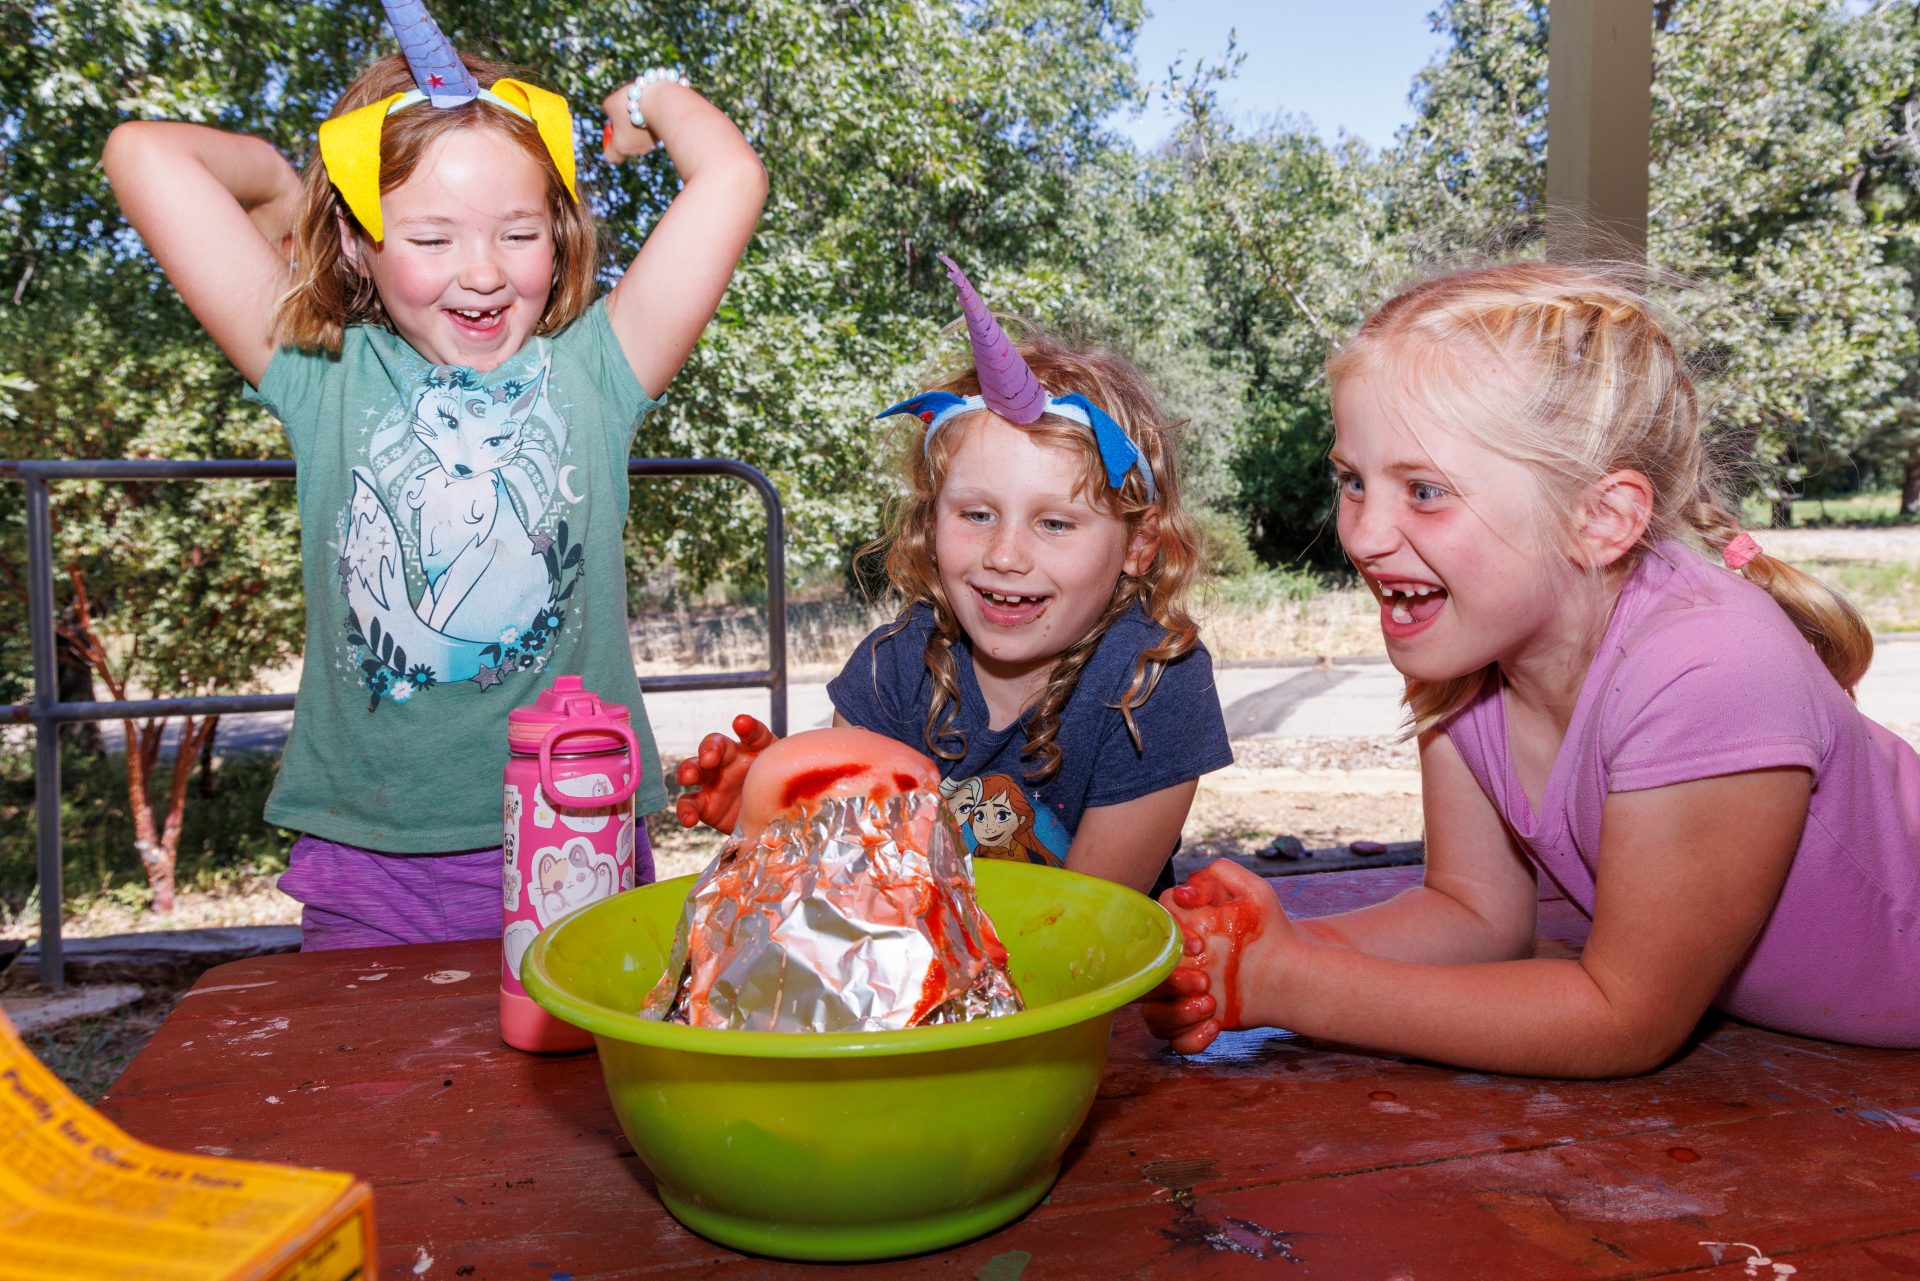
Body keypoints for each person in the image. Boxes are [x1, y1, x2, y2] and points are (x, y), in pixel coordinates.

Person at [1142, 262, 1920, 1074]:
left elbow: (1626, 1018)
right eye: (1353, 480)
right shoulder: (1466, 654)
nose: (1365, 535)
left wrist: (1297, 985)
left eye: (1425, 490)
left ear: (1599, 517)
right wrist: (1248, 954)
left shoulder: (1712, 667)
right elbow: (1476, 914)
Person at [101, 0, 766, 949]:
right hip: (371, 869)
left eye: (518, 231)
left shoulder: (601, 364)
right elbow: (141, 153)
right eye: (431, 236)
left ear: (560, 234)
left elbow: (732, 174)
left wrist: (651, 100)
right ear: (364, 241)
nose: (483, 271)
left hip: (580, 837)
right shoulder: (318, 368)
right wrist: (299, 190)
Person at [674, 256, 1233, 896]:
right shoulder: (893, 668)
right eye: (977, 513)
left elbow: (1088, 934)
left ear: (1139, 543)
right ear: (930, 517)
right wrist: (787, 809)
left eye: (1055, 523)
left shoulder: (1153, 685)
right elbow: (854, 885)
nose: (1005, 554)